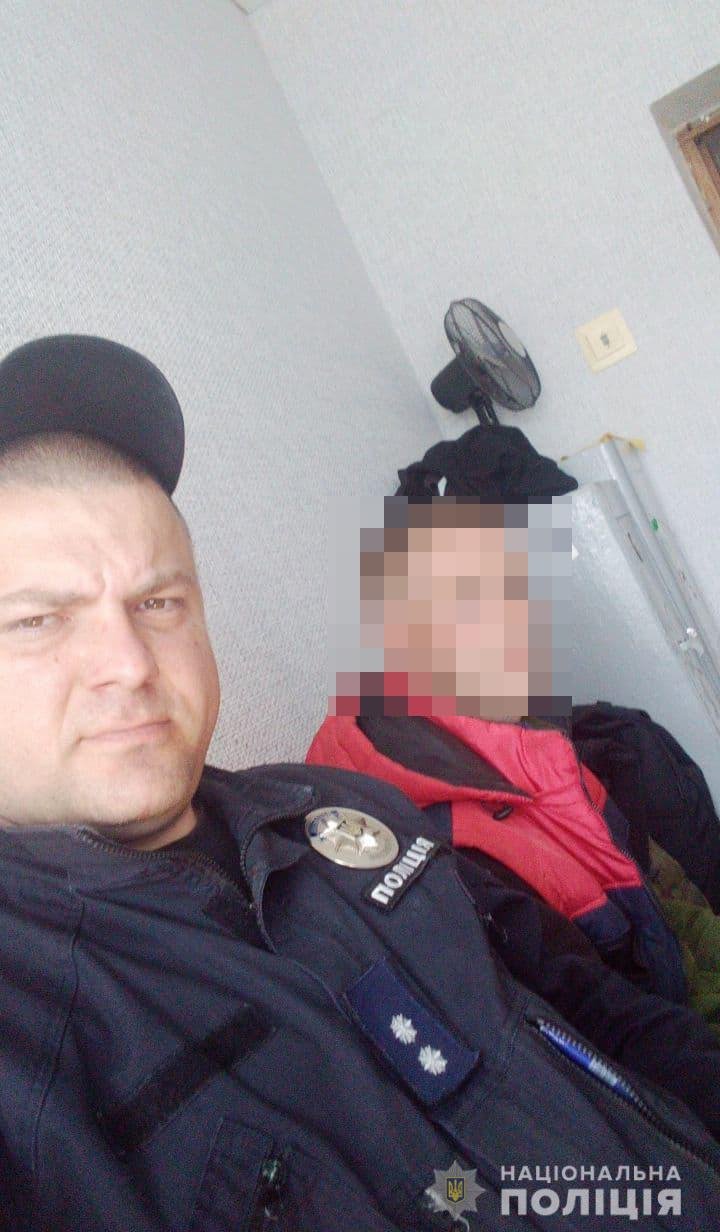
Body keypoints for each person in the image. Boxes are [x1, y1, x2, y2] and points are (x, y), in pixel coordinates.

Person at [0, 334, 718, 1232]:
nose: (130, 662)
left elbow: (589, 1009)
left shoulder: (342, 808)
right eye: (37, 620)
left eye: (157, 603)